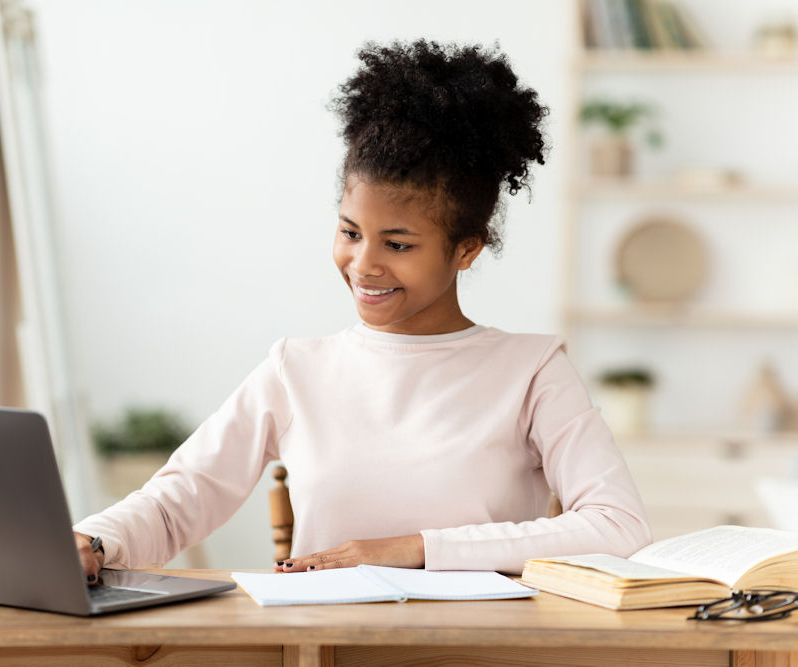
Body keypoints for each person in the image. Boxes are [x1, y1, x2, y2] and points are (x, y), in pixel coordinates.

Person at [73, 39, 651, 584]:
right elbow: (181, 499)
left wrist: (412, 549)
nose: (362, 264)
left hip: (478, 647)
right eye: (350, 232)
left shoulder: (531, 369)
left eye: (398, 245)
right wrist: (94, 544)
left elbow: (618, 526)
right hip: (321, 646)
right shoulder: (295, 369)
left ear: (466, 248)